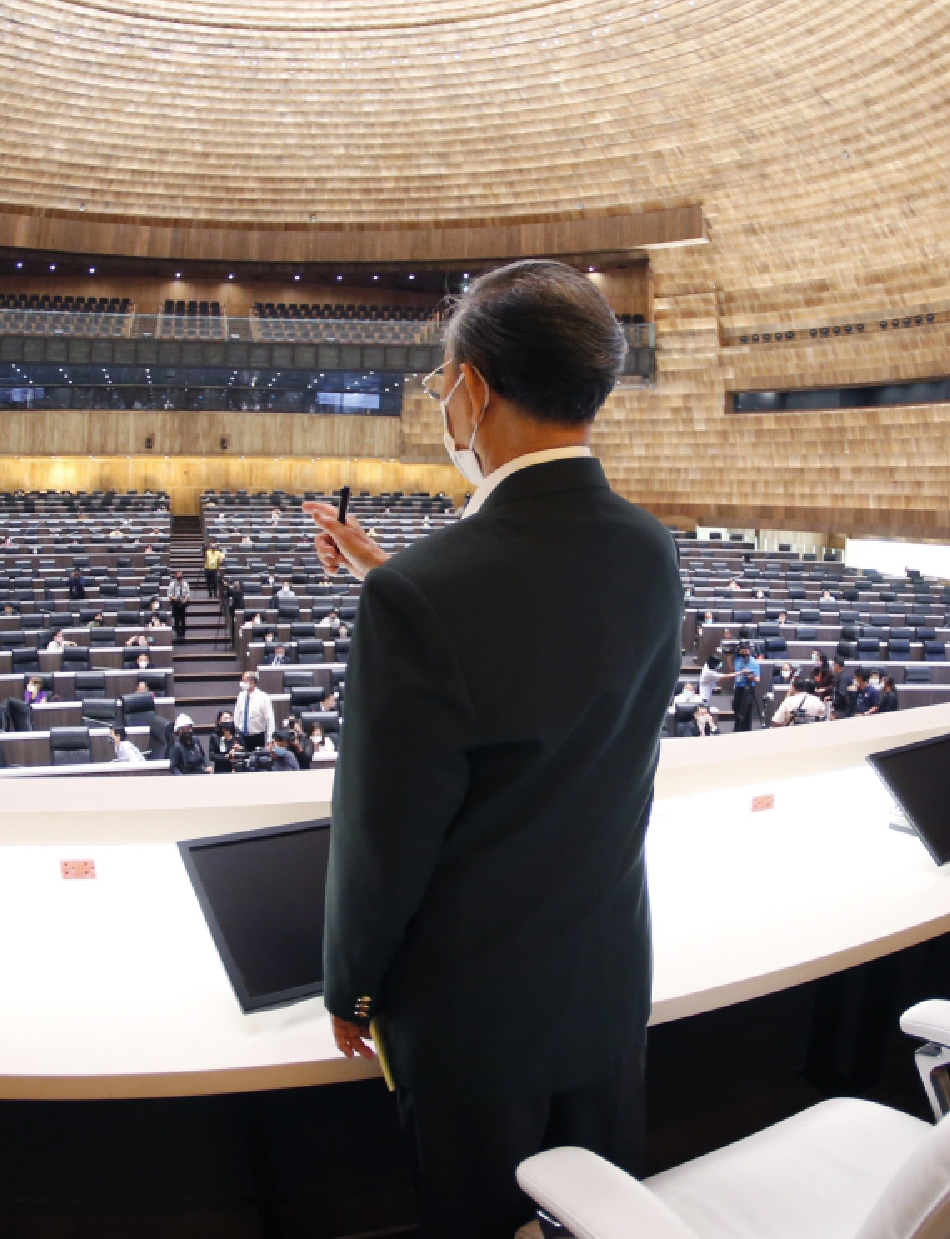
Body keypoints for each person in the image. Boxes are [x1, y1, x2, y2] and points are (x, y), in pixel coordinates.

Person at [303, 259, 681, 1238]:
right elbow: (552, 679)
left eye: (440, 384)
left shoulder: (425, 598)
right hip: (602, 987)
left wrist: (350, 983)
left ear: (470, 387)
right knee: (596, 1219)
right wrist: (390, 577)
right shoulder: (649, 548)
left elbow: (382, 836)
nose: (441, 404)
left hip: (473, 1022)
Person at [232, 671, 275, 750]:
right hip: (242, 736)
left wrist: (269, 741)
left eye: (244, 681)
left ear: (251, 682)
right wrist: (236, 737)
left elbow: (270, 720)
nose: (241, 683)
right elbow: (237, 716)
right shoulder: (241, 696)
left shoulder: (263, 697)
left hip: (257, 737)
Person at [730, 643, 761, 733]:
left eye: (746, 650)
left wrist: (750, 677)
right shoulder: (737, 659)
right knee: (736, 709)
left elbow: (758, 679)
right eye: (742, 649)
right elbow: (732, 668)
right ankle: (737, 729)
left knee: (746, 712)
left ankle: (746, 731)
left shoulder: (754, 662)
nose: (744, 651)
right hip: (738, 688)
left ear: (749, 651)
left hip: (748, 689)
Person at [167, 572, 191, 637]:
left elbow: (188, 594)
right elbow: (169, 594)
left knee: (183, 618)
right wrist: (175, 598)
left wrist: (185, 600)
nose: (179, 577)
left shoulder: (185, 584)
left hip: (183, 602)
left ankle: (183, 632)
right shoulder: (172, 584)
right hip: (175, 602)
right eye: (178, 575)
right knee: (176, 618)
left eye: (180, 575)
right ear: (176, 576)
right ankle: (177, 632)